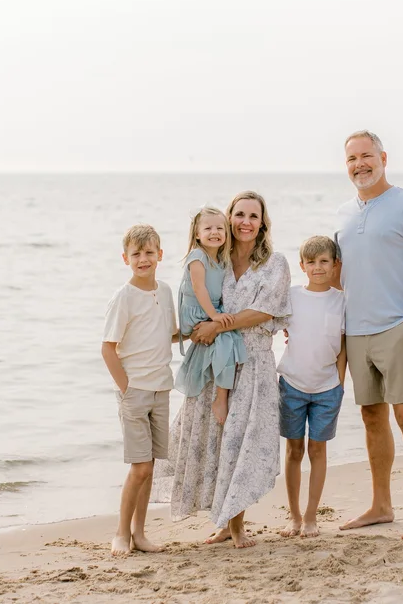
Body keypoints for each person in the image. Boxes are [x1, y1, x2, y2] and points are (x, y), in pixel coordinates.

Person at [153, 190, 291, 549]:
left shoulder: (275, 264)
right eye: (240, 215)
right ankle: (226, 523)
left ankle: (238, 525)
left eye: (253, 216)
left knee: (242, 443)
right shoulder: (216, 261)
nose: (246, 222)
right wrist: (158, 337)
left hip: (255, 363)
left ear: (262, 224)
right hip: (218, 363)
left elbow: (265, 311)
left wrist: (217, 326)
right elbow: (194, 304)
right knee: (217, 441)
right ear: (230, 219)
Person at [334, 130, 403, 540]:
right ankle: (381, 505)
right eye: (351, 159)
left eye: (366, 156)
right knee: (371, 418)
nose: (359, 164)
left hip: (397, 328)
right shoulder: (343, 212)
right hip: (355, 332)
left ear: (383, 157)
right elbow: (339, 277)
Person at [101, 224, 178, 556]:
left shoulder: (166, 291)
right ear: (125, 258)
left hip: (162, 389)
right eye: (136, 254)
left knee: (151, 467)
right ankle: (121, 533)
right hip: (135, 392)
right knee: (140, 466)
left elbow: (168, 335)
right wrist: (127, 389)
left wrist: (202, 329)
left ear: (160, 255)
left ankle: (140, 533)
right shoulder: (124, 297)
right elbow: (108, 348)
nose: (143, 259)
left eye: (149, 253)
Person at [276, 235, 347, 539]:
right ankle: (293, 515)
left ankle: (310, 515)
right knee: (294, 450)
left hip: (327, 388)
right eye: (312, 262)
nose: (318, 268)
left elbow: (343, 345)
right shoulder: (291, 296)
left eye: (324, 262)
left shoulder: (342, 300)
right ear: (302, 265)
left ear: (334, 265)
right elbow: (271, 328)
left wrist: (341, 383)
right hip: (292, 384)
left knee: (318, 450)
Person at [175, 206, 247, 425]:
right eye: (208, 228)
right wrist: (214, 316)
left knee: (233, 338)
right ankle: (221, 398)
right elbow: (199, 289)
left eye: (220, 228)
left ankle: (222, 391)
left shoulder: (222, 260)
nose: (214, 232)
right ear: (197, 234)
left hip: (210, 311)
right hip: (197, 313)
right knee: (225, 338)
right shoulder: (198, 256)